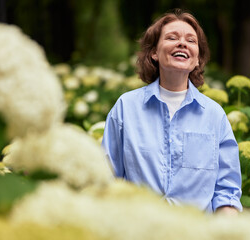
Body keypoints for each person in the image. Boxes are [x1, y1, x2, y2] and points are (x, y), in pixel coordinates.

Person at [102, 9, 242, 215]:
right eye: (172, 37)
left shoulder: (215, 115)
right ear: (154, 53)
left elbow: (227, 192)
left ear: (197, 59)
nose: (182, 43)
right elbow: (108, 179)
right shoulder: (126, 108)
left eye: (191, 40)